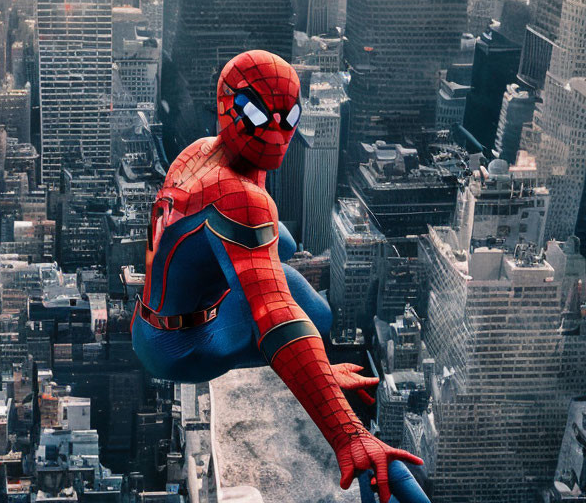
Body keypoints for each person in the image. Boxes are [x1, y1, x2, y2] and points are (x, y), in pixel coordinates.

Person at [132, 50, 423, 503]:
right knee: (311, 312)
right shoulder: (238, 196)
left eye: (289, 118)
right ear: (227, 107)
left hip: (152, 324)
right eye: (256, 114)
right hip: (184, 349)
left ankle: (313, 373)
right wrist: (347, 433)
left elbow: (266, 245)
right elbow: (275, 317)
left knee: (286, 263)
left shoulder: (199, 154)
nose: (277, 133)